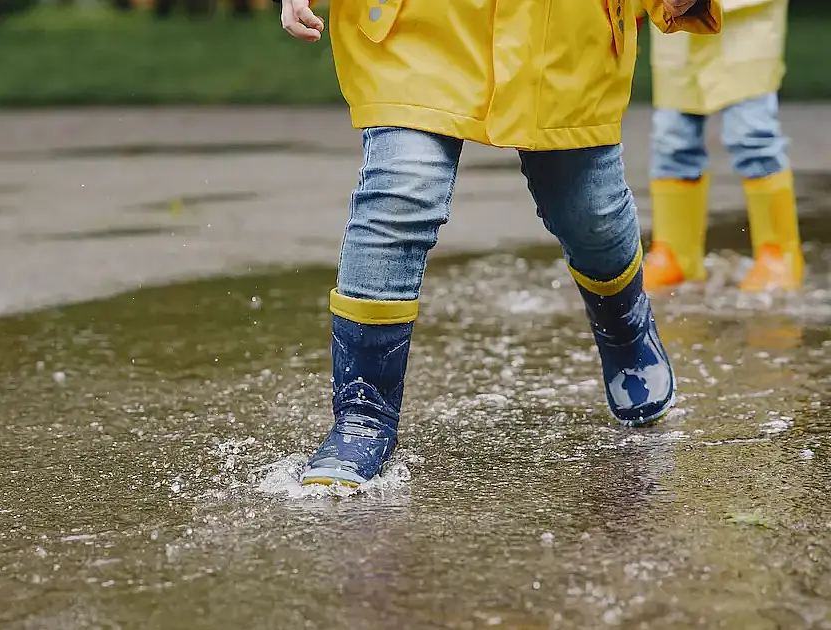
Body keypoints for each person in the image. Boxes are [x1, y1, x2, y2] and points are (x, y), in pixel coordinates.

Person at [275, 0, 723, 486]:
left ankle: (624, 328)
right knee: (401, 190)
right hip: (419, 26)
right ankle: (363, 413)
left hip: (566, 36)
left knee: (589, 211)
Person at [640, 0, 801, 292]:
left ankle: (777, 255)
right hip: (675, 20)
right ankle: (674, 255)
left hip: (745, 15)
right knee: (672, 136)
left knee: (752, 134)